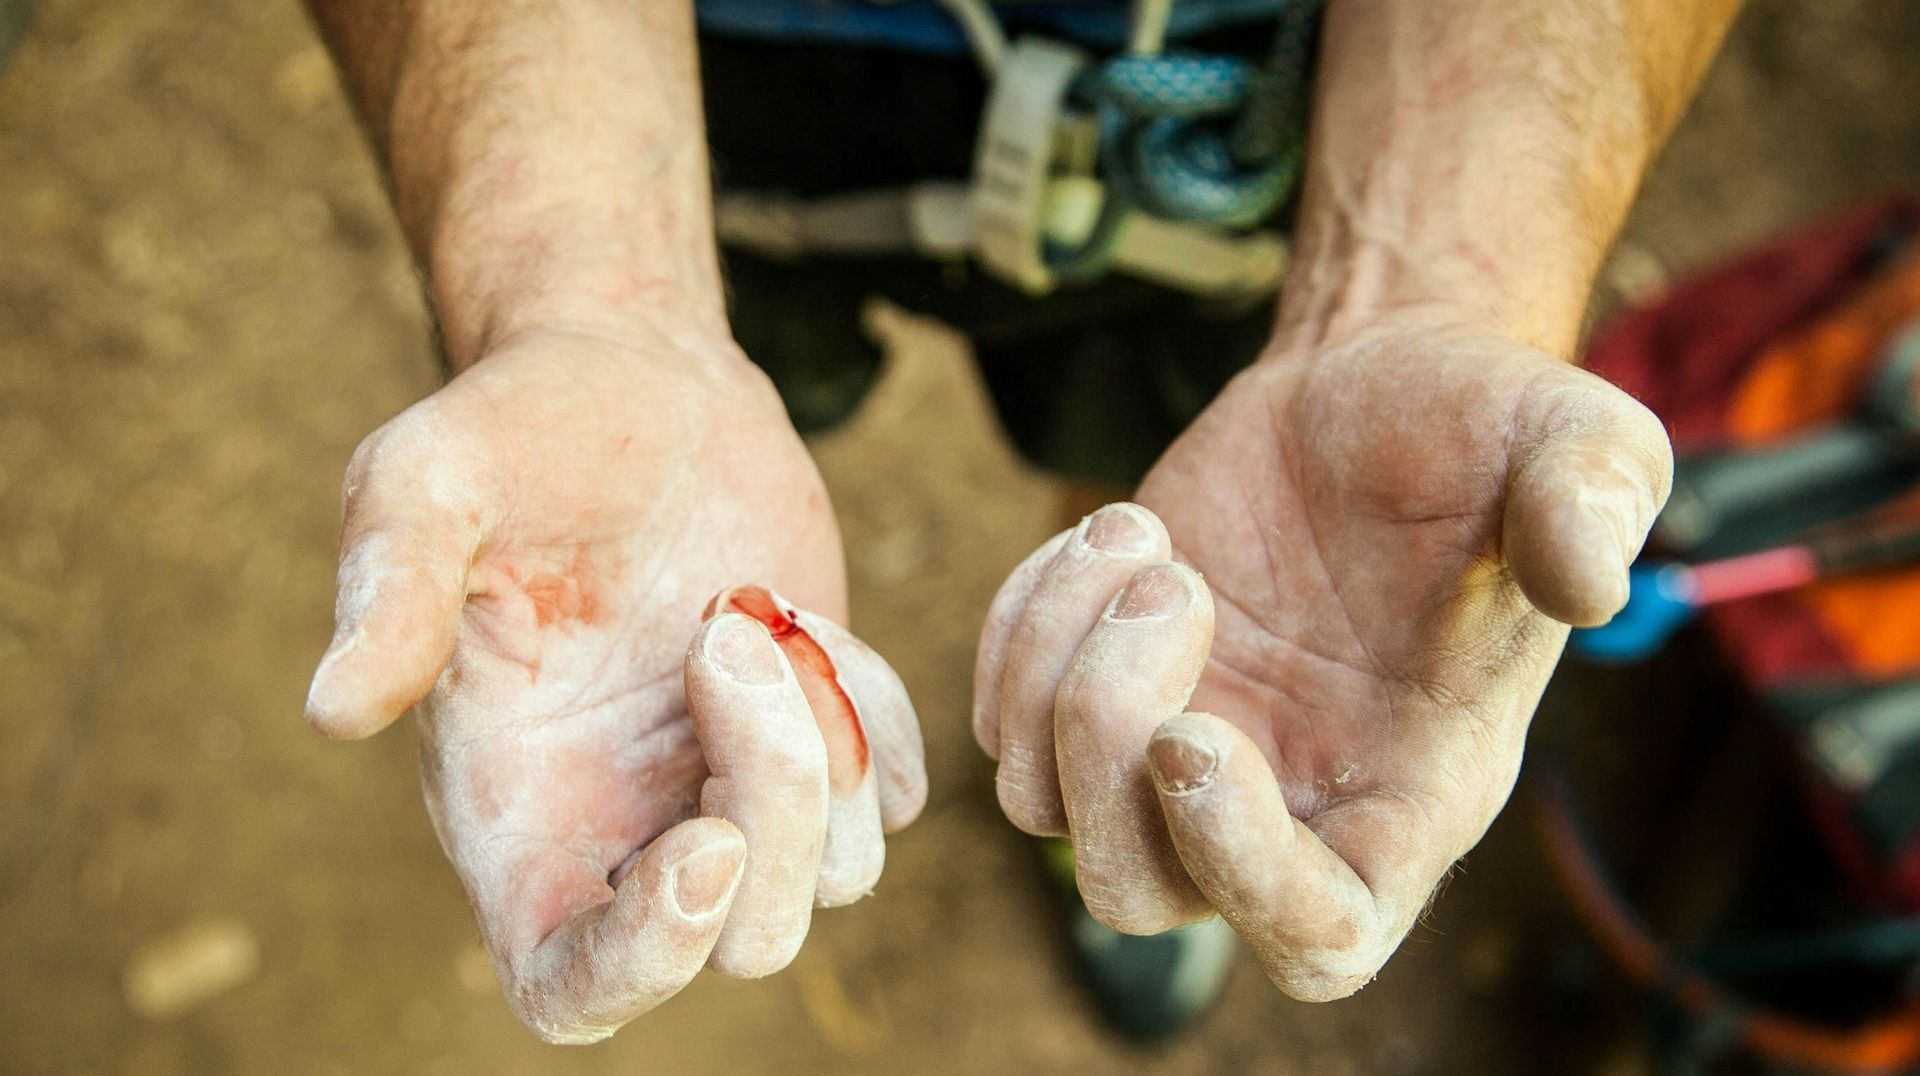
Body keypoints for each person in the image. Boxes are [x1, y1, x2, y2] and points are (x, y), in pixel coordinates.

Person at [298, 0, 1741, 1045]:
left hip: (1236, 102)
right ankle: (1078, 735)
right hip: (687, 73)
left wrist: (1429, 283)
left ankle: (1107, 760)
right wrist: (578, 294)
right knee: (724, 406)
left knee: (1153, 487)